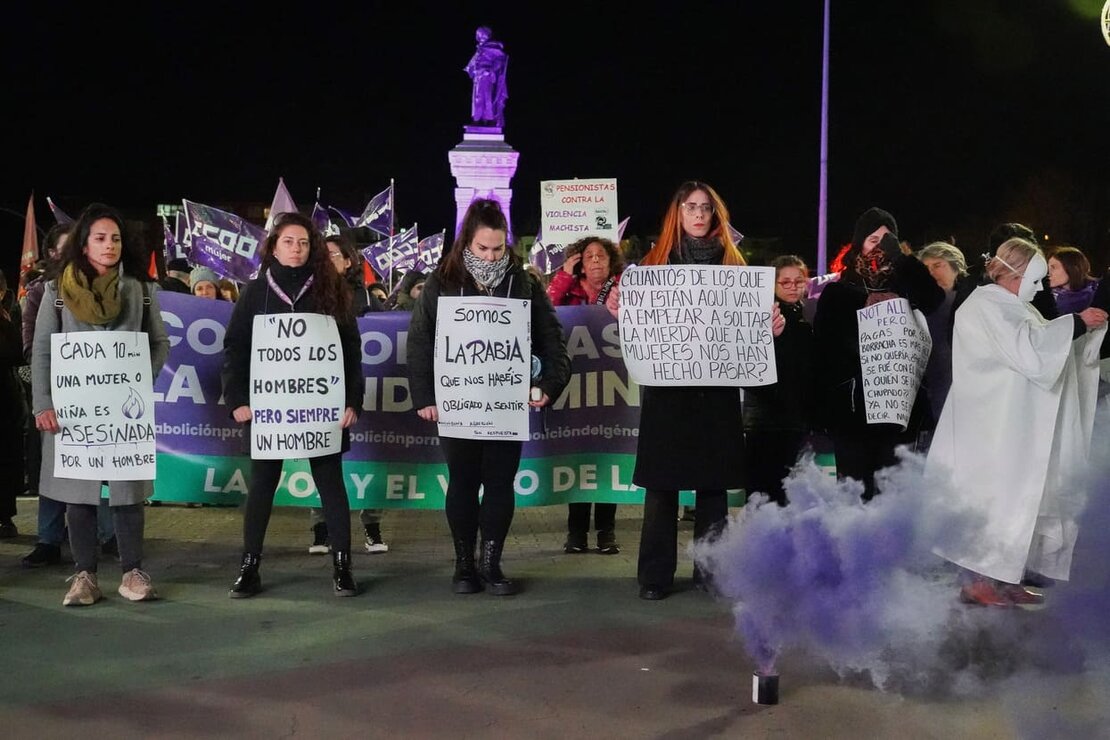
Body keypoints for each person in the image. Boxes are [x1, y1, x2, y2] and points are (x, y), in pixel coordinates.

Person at [927, 238, 1107, 606]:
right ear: (1015, 272)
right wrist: (1075, 322)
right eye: (1036, 278)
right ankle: (978, 583)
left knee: (1012, 500)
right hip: (991, 426)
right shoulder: (988, 305)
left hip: (1008, 424)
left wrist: (1082, 334)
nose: (1040, 288)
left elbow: (1042, 344)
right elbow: (1032, 351)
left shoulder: (1010, 305)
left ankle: (1003, 577)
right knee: (992, 500)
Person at [629, 181, 784, 600]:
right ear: (676, 215)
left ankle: (710, 573)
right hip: (667, 394)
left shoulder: (737, 271)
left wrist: (770, 325)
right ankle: (654, 577)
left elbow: (753, 330)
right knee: (662, 487)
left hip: (715, 394)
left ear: (716, 216)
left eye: (706, 209)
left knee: (712, 487)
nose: (699, 215)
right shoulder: (651, 268)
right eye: (691, 208)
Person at [408, 199, 570, 596]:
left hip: (506, 404)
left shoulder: (524, 282)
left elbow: (552, 340)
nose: (491, 255)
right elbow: (420, 342)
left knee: (500, 483)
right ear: (468, 241)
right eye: (483, 248)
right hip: (457, 403)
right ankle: (464, 565)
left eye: (498, 248)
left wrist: (549, 386)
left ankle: (491, 563)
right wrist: (424, 395)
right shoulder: (441, 281)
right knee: (462, 481)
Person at [31, 204, 170, 606]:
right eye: (100, 237)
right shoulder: (57, 292)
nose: (109, 245)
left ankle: (133, 572)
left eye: (116, 238)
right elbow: (42, 352)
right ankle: (85, 576)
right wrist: (44, 403)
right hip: (73, 413)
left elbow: (159, 343)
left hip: (124, 411)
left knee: (129, 493)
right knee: (79, 493)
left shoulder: (141, 291)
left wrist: (141, 378)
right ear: (83, 243)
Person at [222, 213, 365, 598]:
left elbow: (351, 348)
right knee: (262, 488)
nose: (297, 249)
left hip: (323, 409)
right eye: (288, 241)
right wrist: (237, 399)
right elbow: (235, 346)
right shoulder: (256, 291)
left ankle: (342, 567)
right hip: (269, 411)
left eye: (303, 242)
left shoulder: (330, 287)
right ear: (273, 245)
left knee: (331, 486)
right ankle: (249, 567)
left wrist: (353, 399)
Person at [813, 207, 944, 500]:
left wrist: (903, 259)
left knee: (893, 496)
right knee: (855, 496)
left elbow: (932, 298)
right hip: (853, 414)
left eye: (888, 239)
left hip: (899, 413)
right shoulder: (838, 292)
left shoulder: (906, 283)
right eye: (874, 238)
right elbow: (824, 349)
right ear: (860, 242)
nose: (880, 246)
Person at [306, 233, 387, 556]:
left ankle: (372, 526)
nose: (326, 260)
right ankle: (321, 528)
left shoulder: (366, 299)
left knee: (366, 459)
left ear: (349, 261)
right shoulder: (309, 295)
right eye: (321, 254)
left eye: (333, 255)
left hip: (359, 390)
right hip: (319, 395)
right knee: (323, 461)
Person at [546, 235, 624, 554]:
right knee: (579, 458)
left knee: (607, 459)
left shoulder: (624, 289)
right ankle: (576, 532)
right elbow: (548, 309)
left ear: (611, 261)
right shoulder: (569, 291)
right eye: (588, 256)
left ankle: (606, 532)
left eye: (600, 256)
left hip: (613, 385)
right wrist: (564, 274)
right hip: (575, 385)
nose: (595, 261)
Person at [743, 255, 815, 507]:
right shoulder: (759, 316)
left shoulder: (807, 320)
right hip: (764, 421)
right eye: (785, 282)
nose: (793, 286)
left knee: (785, 493)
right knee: (762, 493)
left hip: (795, 421)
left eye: (798, 281)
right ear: (772, 285)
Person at [917, 242, 971, 421]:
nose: (931, 272)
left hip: (962, 384)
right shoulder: (916, 305)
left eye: (938, 265)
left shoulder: (973, 300)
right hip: (929, 385)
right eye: (925, 268)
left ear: (956, 268)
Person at [0, 270, 22, 538]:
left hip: (4, 405)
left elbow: (17, 356)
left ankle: (5, 517)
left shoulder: (7, 323)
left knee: (4, 461)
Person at [1047, 246, 1099, 315]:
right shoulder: (1045, 299)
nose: (1048, 273)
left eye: (1053, 267)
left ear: (1072, 269)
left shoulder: (1099, 296)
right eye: (1048, 268)